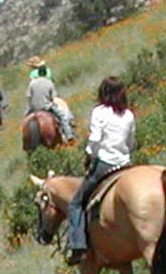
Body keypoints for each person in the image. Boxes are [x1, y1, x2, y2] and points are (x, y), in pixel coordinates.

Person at [63, 75, 134, 260]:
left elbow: (95, 139)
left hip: (105, 164)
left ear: (103, 92)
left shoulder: (99, 112)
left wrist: (89, 154)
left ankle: (78, 246)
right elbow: (131, 142)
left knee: (76, 203)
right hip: (125, 164)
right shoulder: (128, 114)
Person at [26, 59, 76, 141]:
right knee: (62, 117)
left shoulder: (32, 83)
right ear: (45, 73)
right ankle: (69, 135)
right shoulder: (49, 82)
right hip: (46, 106)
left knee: (26, 119)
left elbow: (29, 96)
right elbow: (53, 97)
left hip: (34, 107)